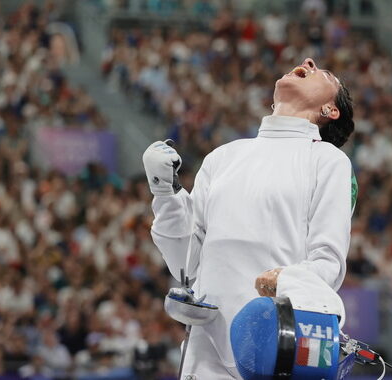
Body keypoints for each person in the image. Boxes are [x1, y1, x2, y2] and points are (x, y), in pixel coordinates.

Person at [144, 58, 355, 379]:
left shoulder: (328, 161)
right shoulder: (223, 157)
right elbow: (186, 265)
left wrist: (286, 281)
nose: (308, 62)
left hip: (275, 344)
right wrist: (165, 193)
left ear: (330, 110)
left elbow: (329, 264)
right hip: (207, 350)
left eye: (323, 73)